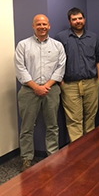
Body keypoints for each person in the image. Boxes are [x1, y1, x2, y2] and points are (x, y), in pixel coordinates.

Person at [15, 14, 66, 172]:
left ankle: (53, 155)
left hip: (51, 90)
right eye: (39, 24)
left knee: (52, 126)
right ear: (33, 26)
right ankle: (26, 158)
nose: (42, 27)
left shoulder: (57, 46)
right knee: (27, 127)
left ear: (49, 26)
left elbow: (61, 67)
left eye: (44, 24)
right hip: (29, 91)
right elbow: (20, 68)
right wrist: (36, 87)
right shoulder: (23, 45)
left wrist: (47, 85)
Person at [56, 7, 99, 142]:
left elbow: (98, 60)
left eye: (80, 18)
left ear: (84, 19)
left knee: (90, 118)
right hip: (70, 85)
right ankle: (78, 152)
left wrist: (98, 79)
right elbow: (57, 61)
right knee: (74, 120)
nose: (78, 21)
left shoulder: (93, 37)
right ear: (70, 21)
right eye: (74, 19)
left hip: (91, 83)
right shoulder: (61, 38)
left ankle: (89, 147)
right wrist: (62, 82)